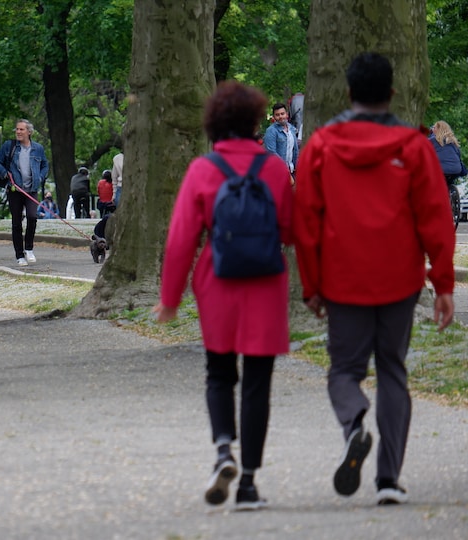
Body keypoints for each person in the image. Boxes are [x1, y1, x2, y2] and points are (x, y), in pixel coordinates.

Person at [294, 52, 455, 506]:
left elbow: (305, 221)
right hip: (400, 278)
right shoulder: (416, 147)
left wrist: (310, 285)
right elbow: (436, 220)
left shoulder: (321, 146)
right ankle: (388, 479)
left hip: (342, 280)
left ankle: (353, 424)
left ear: (347, 93)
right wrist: (442, 284)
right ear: (392, 93)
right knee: (392, 372)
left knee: (344, 371)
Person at [154, 81, 294, 511]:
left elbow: (180, 240)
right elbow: (289, 230)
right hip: (266, 283)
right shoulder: (273, 169)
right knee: (257, 383)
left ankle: (222, 452)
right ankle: (249, 485)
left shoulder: (202, 169)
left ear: (214, 122)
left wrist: (170, 297)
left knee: (218, 373)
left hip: (218, 280)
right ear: (255, 121)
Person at [0, 119, 49, 266]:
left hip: (32, 189)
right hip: (14, 189)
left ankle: (29, 248)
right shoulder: (9, 147)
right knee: (16, 222)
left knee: (32, 216)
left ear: (29, 132)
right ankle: (19, 255)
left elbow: (45, 164)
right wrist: (5, 174)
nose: (18, 132)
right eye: (17, 129)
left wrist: (41, 176)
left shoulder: (38, 148)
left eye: (21, 129)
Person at [263, 103, 299, 181]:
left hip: (292, 170)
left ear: (286, 114)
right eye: (277, 115)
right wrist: (284, 169)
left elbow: (295, 151)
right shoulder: (271, 131)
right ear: (274, 117)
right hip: (277, 171)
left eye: (282, 114)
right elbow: (271, 153)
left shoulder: (292, 129)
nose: (280, 117)